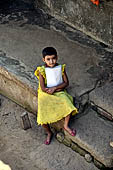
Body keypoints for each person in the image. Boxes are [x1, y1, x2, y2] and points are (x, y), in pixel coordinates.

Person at [34, 47, 78, 145]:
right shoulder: (42, 71)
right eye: (48, 59)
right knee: (42, 114)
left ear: (57, 57)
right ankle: (49, 132)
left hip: (58, 90)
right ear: (43, 60)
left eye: (53, 58)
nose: (51, 61)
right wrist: (50, 90)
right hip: (45, 93)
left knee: (68, 103)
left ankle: (66, 126)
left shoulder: (60, 68)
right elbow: (42, 87)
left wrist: (55, 88)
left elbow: (66, 83)